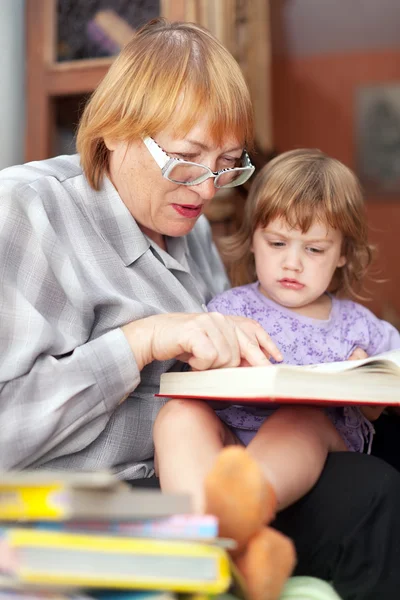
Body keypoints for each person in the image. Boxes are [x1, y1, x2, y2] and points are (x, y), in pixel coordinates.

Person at [0, 17, 400, 600]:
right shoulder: (27, 212)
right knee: (373, 493)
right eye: (187, 157)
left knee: (378, 463)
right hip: (96, 497)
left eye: (227, 164)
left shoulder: (191, 232)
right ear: (115, 130)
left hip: (215, 472)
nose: (209, 188)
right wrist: (142, 340)